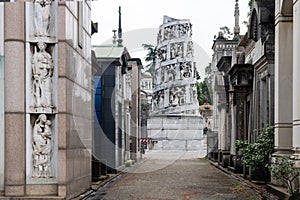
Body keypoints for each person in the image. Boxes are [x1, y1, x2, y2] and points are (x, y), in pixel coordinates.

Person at [32, 42, 53, 108]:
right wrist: (35, 73)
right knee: (38, 89)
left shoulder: (48, 55)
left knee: (47, 89)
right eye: (39, 46)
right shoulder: (36, 55)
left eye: (42, 45)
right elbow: (34, 64)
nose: (41, 47)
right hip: (39, 74)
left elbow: (51, 64)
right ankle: (38, 102)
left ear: (45, 46)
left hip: (46, 74)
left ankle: (48, 103)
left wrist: (49, 69)